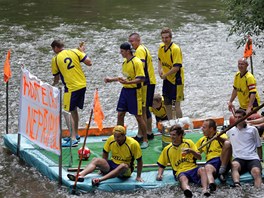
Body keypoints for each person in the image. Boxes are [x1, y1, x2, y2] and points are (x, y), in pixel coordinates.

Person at [104, 42, 148, 149]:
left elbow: (141, 78)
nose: (120, 53)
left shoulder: (136, 62)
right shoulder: (124, 62)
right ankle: (119, 136)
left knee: (138, 116)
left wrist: (128, 83)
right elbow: (124, 77)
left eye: (122, 51)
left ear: (128, 51)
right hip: (125, 91)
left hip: (134, 92)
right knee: (120, 114)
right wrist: (112, 79)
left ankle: (145, 139)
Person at [67, 125, 143, 185]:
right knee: (95, 160)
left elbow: (139, 161)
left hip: (125, 170)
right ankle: (80, 175)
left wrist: (138, 176)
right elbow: (105, 152)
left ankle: (99, 180)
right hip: (112, 164)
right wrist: (102, 168)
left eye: (118, 137)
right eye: (115, 136)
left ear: (124, 135)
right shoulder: (111, 139)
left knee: (123, 165)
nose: (116, 139)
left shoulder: (133, 144)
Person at [51, 40, 92, 147]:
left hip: (71, 88)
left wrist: (52, 86)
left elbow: (56, 78)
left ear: (55, 48)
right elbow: (89, 62)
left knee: (66, 112)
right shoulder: (75, 51)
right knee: (73, 110)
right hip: (82, 85)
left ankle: (72, 139)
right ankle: (76, 134)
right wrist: (82, 52)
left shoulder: (55, 59)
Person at [156, 125, 210, 197]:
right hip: (180, 171)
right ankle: (187, 191)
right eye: (171, 135)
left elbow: (199, 157)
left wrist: (191, 151)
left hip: (193, 168)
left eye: (174, 135)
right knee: (183, 178)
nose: (171, 137)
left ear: (180, 135)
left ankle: (205, 189)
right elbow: (161, 164)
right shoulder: (167, 149)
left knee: (202, 169)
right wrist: (159, 174)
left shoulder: (189, 143)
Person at [129, 33, 156, 141]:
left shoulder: (140, 50)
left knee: (142, 110)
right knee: (146, 109)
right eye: (129, 41)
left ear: (138, 40)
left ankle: (142, 134)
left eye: (132, 41)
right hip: (150, 81)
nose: (131, 43)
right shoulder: (143, 48)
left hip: (146, 83)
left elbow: (140, 66)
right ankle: (149, 132)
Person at [226, 109, 263, 188]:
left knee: (256, 171)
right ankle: (237, 185)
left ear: (245, 118)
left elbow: (259, 146)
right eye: (236, 117)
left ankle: (258, 190)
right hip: (238, 158)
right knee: (234, 166)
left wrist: (260, 160)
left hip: (252, 158)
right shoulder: (230, 131)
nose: (237, 119)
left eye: (240, 117)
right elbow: (225, 144)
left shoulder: (253, 130)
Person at [196, 119, 232, 191]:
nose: (202, 129)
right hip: (211, 163)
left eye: (204, 127)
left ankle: (222, 171)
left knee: (227, 143)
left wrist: (218, 138)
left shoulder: (222, 135)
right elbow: (196, 152)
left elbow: (228, 144)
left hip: (222, 161)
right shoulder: (202, 140)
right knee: (208, 167)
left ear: (211, 129)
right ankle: (212, 185)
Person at [158, 27, 184, 120]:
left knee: (176, 105)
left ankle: (180, 125)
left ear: (170, 37)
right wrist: (160, 70)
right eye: (163, 38)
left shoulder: (175, 49)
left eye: (167, 38)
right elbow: (160, 60)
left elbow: (176, 67)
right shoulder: (161, 47)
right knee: (167, 104)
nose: (164, 40)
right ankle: (170, 123)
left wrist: (165, 74)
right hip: (167, 80)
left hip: (177, 80)